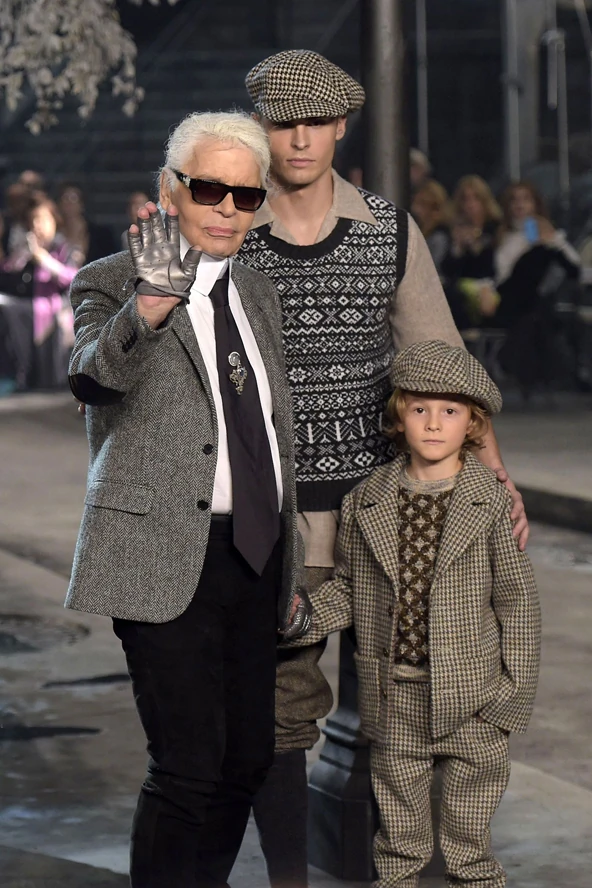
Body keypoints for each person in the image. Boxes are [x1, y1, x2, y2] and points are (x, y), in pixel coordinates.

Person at [237, 49, 529, 888]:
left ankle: (420, 864)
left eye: (315, 122)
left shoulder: (386, 230)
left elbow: (441, 358)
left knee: (413, 699)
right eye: (283, 123)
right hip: (278, 512)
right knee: (281, 708)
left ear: (340, 126)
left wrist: (494, 473)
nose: (299, 139)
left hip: (385, 515)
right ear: (262, 128)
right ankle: (289, 876)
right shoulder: (236, 232)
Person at [65, 110, 307, 888]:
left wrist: (290, 556)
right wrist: (150, 304)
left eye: (246, 195)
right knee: (188, 765)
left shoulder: (259, 291)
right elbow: (91, 376)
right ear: (170, 190)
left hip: (256, 552)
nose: (227, 209)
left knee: (247, 760)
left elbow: (269, 429)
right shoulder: (110, 280)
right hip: (160, 552)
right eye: (209, 190)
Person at [292, 340, 541, 888]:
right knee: (399, 842)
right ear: (398, 416)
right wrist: (299, 618)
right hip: (395, 696)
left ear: (473, 423)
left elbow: (517, 602)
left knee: (469, 843)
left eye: (450, 411)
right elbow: (350, 590)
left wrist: (510, 697)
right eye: (419, 408)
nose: (433, 423)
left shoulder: (489, 501)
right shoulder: (366, 501)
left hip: (474, 697)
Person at [493, 181, 581, 393]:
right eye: (515, 200)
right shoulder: (504, 236)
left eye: (526, 199)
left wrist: (551, 240)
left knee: (537, 314)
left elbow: (574, 267)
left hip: (536, 301)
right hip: (509, 298)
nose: (520, 205)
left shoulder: (542, 232)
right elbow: (503, 274)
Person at [0, 192, 81, 389]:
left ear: (54, 221)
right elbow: (8, 273)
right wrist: (23, 254)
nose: (37, 225)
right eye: (34, 220)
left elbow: (73, 279)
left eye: (43, 219)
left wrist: (43, 259)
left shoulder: (65, 247)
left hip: (54, 306)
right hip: (28, 305)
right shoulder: (27, 247)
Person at [441, 175, 502, 330]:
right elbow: (447, 270)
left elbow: (488, 268)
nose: (470, 205)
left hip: (490, 285)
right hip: (460, 287)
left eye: (476, 198)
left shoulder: (495, 228)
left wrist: (475, 246)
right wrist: (458, 247)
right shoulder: (451, 230)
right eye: (465, 199)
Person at [56, 181, 117, 264]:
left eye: (74, 198)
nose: (69, 203)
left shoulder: (101, 235)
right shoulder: (55, 234)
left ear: (82, 204)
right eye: (65, 198)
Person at [410, 178, 451, 275]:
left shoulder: (439, 237)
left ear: (435, 210)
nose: (415, 209)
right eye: (415, 202)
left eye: (422, 204)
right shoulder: (415, 232)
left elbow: (430, 269)